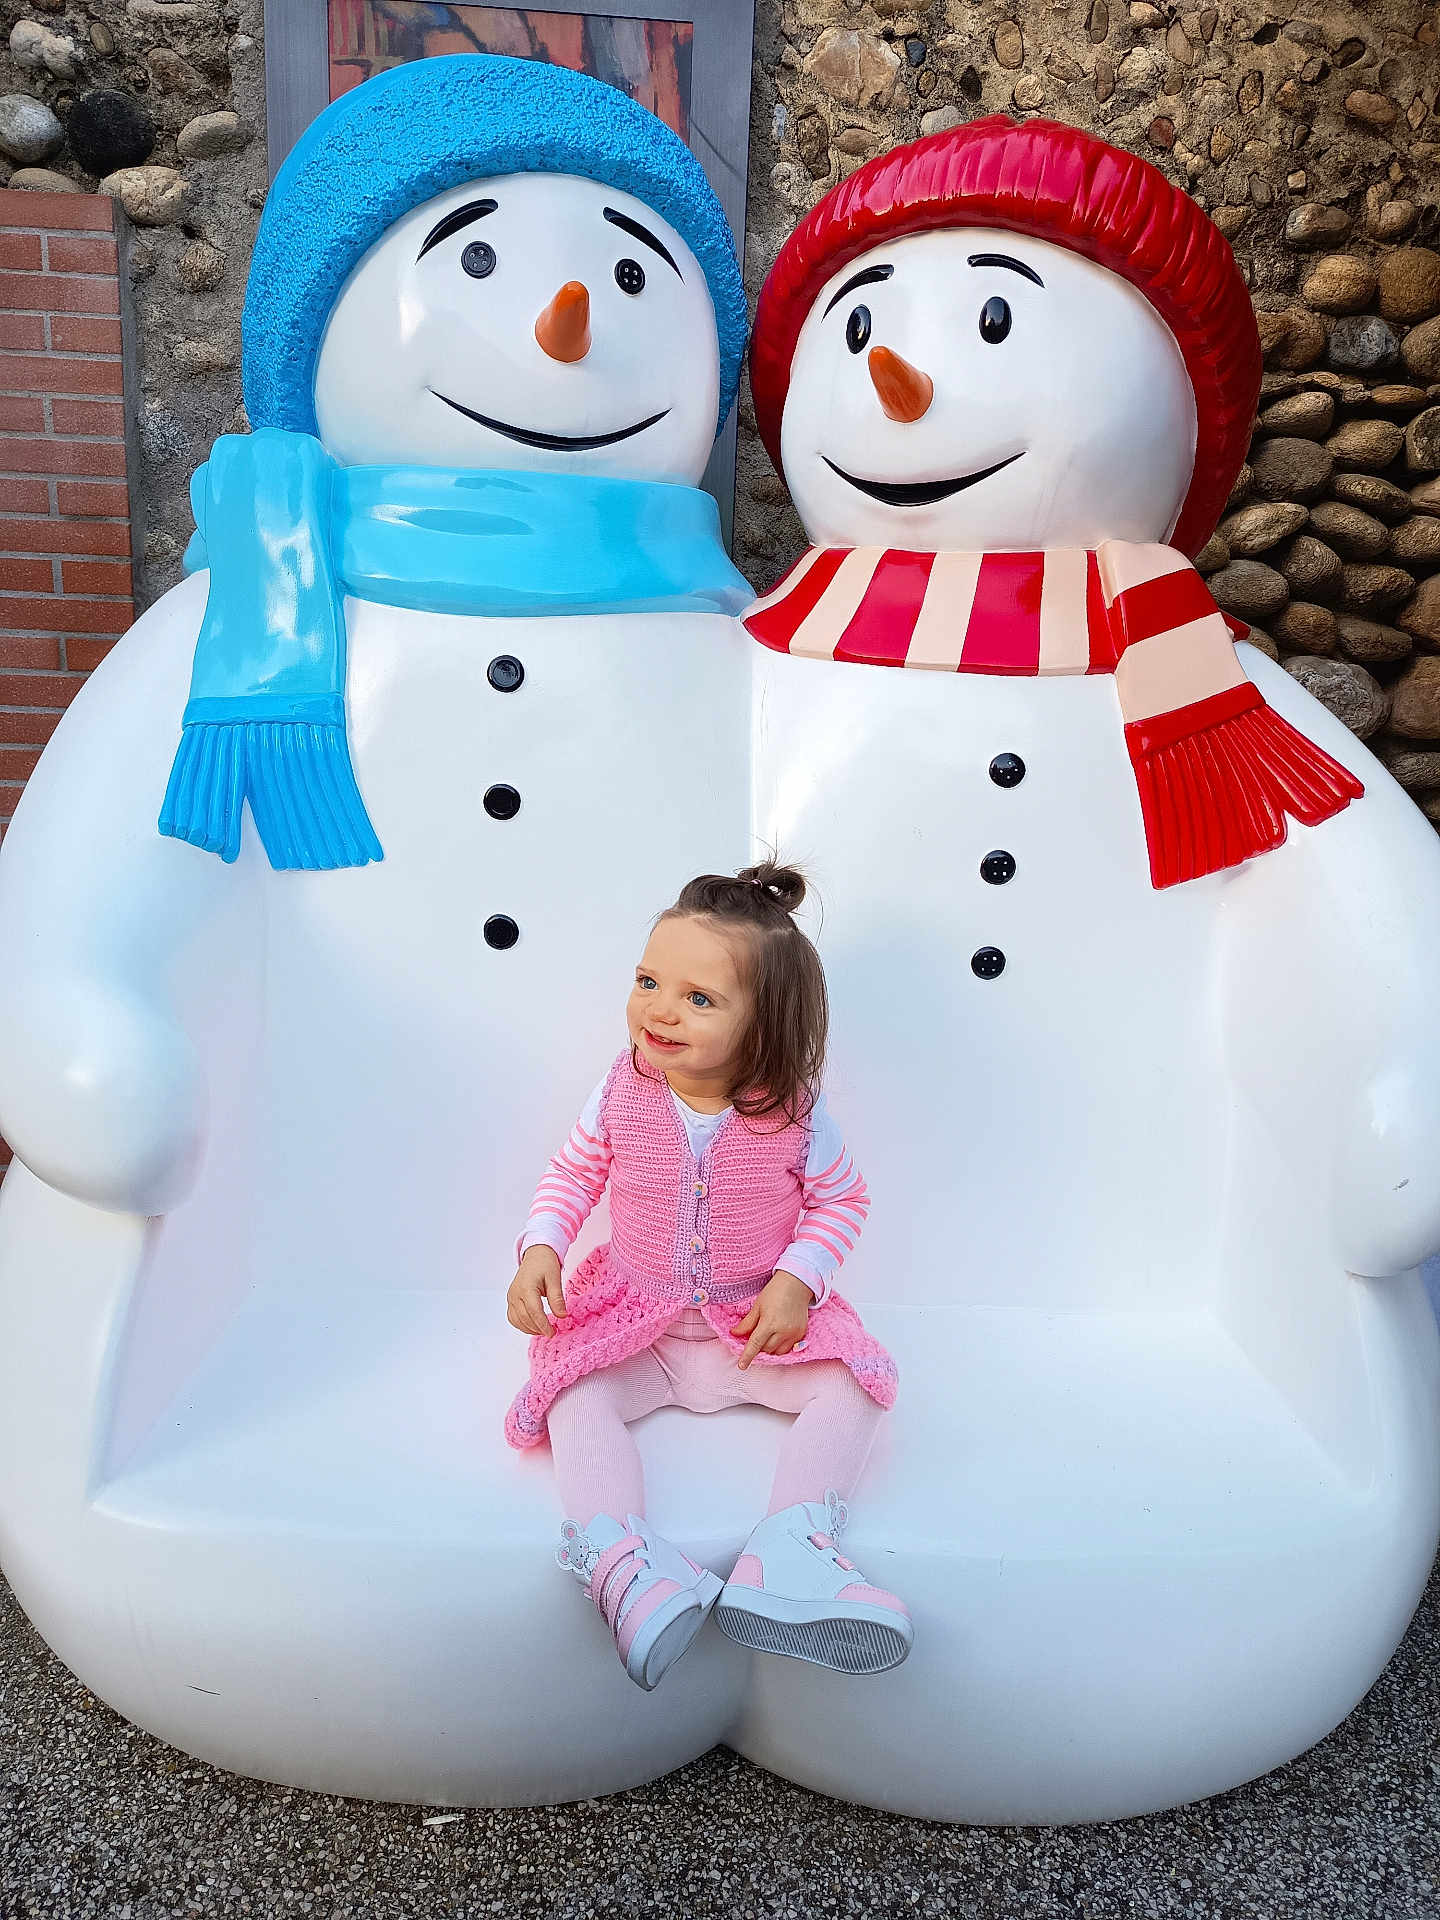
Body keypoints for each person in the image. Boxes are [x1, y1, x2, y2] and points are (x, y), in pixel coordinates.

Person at [504, 862, 907, 1691]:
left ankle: (791, 1548)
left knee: (858, 1385)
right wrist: (541, 1245)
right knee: (573, 1395)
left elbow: (842, 1201)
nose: (659, 1009)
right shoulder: (623, 1088)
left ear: (766, 1024)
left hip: (750, 1330)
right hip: (634, 1323)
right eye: (649, 980)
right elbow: (573, 1173)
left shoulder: (792, 1112)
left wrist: (798, 1280)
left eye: (698, 998)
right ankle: (623, 1558)